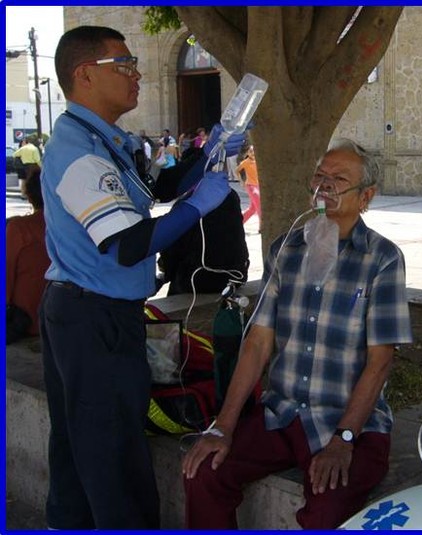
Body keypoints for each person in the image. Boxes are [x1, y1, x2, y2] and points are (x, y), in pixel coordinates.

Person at [39, 25, 246, 529]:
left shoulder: (106, 140)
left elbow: (159, 186)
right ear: (85, 75)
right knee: (113, 453)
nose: (137, 75)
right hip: (94, 319)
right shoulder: (79, 153)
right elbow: (129, 243)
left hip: (88, 312)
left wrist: (209, 152)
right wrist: (198, 207)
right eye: (124, 64)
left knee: (79, 444)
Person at [181, 139, 413, 529]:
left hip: (348, 422)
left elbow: (380, 361)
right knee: (204, 471)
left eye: (339, 179)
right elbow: (258, 342)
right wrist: (223, 425)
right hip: (281, 413)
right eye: (320, 175)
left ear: (366, 197)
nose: (325, 185)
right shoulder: (286, 249)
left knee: (327, 506)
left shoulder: (383, 259)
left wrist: (344, 439)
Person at [6, 165, 51, 339]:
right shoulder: (71, 227)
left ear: (29, 195)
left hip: (24, 320)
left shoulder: (19, 228)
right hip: (59, 317)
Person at [236, 144, 262, 231]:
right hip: (250, 186)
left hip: (257, 185)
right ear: (247, 153)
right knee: (259, 207)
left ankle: (239, 223)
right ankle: (261, 226)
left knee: (252, 209)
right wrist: (241, 181)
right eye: (250, 151)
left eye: (254, 151)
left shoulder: (258, 161)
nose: (252, 153)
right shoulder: (246, 162)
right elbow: (237, 170)